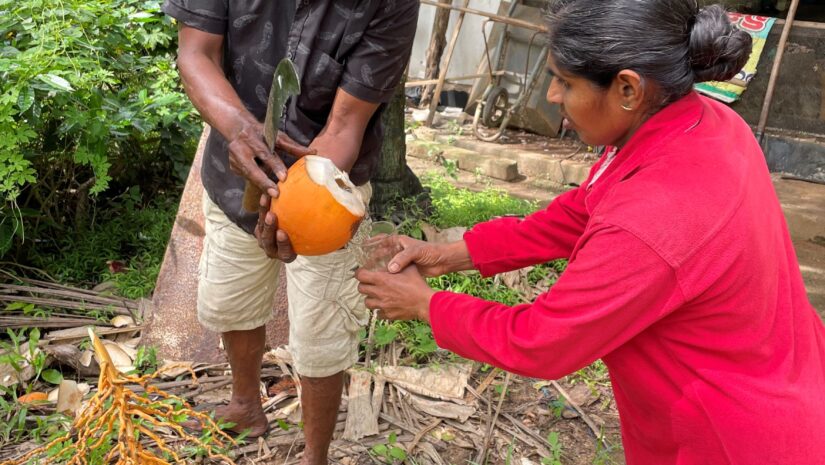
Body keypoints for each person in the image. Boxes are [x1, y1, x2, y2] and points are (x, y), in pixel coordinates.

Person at [356, 1, 825, 464]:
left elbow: (541, 342)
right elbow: (580, 212)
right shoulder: (703, 123)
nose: (553, 95)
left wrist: (425, 305)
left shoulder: (652, 221)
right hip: (784, 377)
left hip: (729, 439)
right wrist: (447, 255)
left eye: (565, 81)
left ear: (627, 88)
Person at [163, 1, 418, 463]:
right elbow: (195, 53)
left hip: (329, 187)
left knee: (323, 332)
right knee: (230, 298)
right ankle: (245, 406)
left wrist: (303, 197)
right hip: (230, 169)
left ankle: (315, 455)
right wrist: (240, 129)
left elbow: (346, 123)